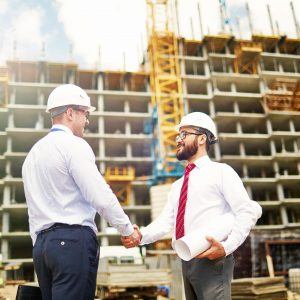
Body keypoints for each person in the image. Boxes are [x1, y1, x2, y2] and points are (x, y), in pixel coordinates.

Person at [122, 112, 262, 300]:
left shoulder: (221, 172)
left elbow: (246, 212)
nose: (178, 140)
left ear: (202, 138)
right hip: (186, 259)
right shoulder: (178, 185)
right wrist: (141, 236)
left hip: (213, 260)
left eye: (184, 134)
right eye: (178, 135)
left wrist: (227, 247)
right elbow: (166, 222)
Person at [22, 84, 140, 300]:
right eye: (85, 113)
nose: (87, 120)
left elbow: (32, 209)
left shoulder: (33, 155)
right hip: (72, 243)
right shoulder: (74, 145)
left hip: (41, 247)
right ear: (69, 113)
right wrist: (126, 230)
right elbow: (100, 196)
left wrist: (41, 245)